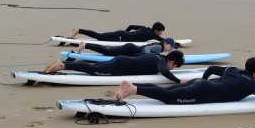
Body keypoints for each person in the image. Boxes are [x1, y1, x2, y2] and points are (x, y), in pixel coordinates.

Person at [114, 56, 255, 109]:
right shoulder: (251, 84)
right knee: (169, 98)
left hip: (199, 84)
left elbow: (212, 69)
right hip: (203, 92)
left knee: (170, 91)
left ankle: (129, 88)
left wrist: (201, 82)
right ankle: (134, 89)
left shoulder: (232, 69)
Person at [43, 50, 185, 83]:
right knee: (95, 70)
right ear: (171, 62)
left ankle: (62, 63)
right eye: (174, 67)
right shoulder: (161, 61)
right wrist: (178, 81)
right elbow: (162, 70)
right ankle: (62, 65)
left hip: (121, 60)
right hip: (121, 67)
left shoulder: (157, 55)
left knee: (95, 65)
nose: (172, 69)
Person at [70, 22, 166, 43]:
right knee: (99, 37)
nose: (161, 34)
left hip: (121, 34)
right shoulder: (152, 34)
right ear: (157, 30)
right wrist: (178, 44)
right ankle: (78, 30)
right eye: (161, 31)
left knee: (100, 36)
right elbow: (164, 41)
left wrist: (126, 34)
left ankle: (79, 30)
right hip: (121, 37)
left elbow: (131, 26)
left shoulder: (146, 28)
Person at [76, 37, 179, 57]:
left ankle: (86, 45)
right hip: (130, 49)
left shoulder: (160, 47)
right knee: (107, 52)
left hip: (131, 49)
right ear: (167, 44)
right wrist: (149, 57)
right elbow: (146, 50)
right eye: (171, 47)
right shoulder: (159, 47)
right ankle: (85, 44)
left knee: (108, 51)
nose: (171, 49)